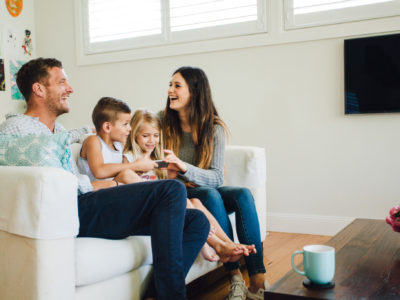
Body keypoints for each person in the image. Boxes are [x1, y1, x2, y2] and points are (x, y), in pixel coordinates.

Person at [0, 58, 210, 300]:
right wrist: (99, 184)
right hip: (69, 210)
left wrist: (98, 181)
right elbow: (43, 183)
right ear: (39, 89)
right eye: (62, 82)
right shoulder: (15, 129)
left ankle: (155, 295)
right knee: (171, 190)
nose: (70, 89)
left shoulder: (57, 132)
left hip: (87, 201)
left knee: (196, 222)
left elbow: (69, 159)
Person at [160, 66, 268, 300]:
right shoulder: (162, 123)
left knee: (242, 194)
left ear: (195, 92)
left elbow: (217, 177)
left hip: (207, 188)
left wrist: (184, 167)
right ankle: (235, 277)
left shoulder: (214, 128)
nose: (170, 90)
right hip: (179, 193)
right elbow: (145, 145)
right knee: (209, 195)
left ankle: (258, 279)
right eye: (170, 85)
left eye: (177, 86)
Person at [123, 109, 256, 263]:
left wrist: (185, 181)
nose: (151, 140)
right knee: (186, 202)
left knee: (196, 203)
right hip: (147, 205)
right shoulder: (130, 157)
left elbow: (170, 181)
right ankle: (218, 246)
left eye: (156, 136)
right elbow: (125, 183)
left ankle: (228, 243)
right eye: (145, 136)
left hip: (162, 202)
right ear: (134, 135)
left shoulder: (158, 159)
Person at [77, 97, 155, 185]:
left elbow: (119, 171)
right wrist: (135, 165)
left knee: (129, 174)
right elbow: (99, 171)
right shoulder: (93, 141)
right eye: (125, 124)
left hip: (115, 190)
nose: (130, 128)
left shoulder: (119, 145)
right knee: (126, 175)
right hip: (94, 193)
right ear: (107, 127)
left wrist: (138, 169)